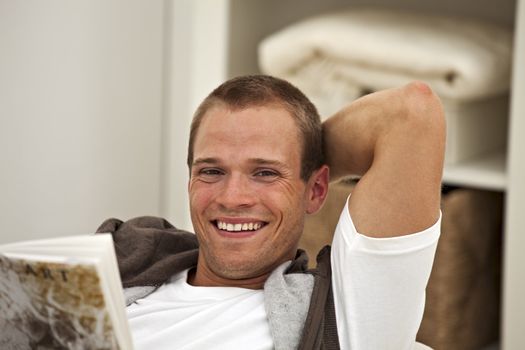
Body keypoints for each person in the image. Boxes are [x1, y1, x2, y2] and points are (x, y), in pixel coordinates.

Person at [100, 75, 445, 349]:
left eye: (265, 173)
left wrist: (304, 154)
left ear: (318, 190)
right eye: (212, 171)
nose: (233, 197)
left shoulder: (339, 315)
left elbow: (411, 113)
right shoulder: (124, 260)